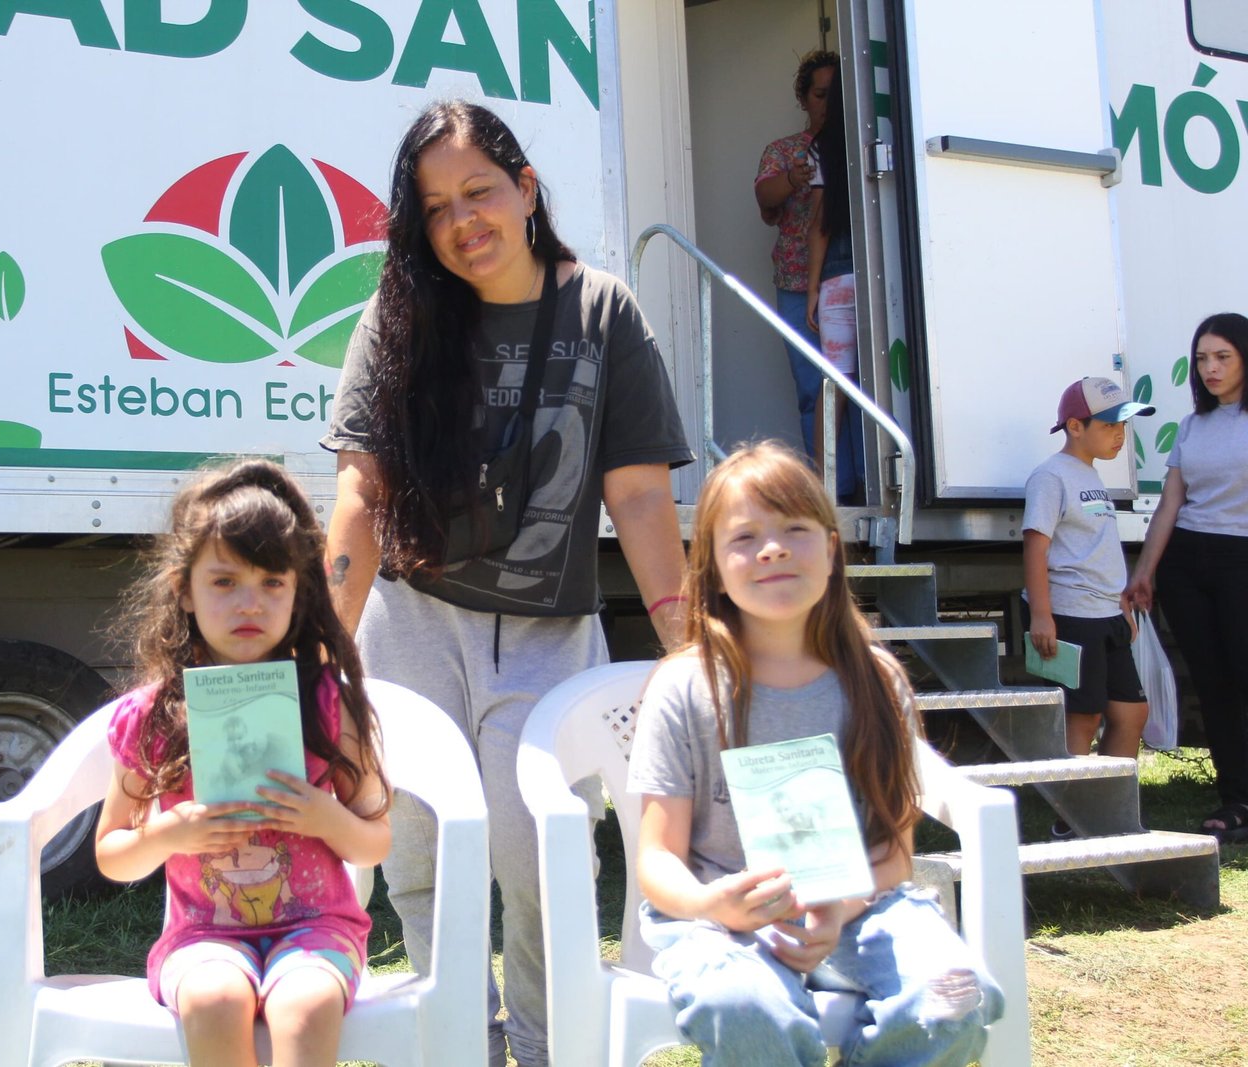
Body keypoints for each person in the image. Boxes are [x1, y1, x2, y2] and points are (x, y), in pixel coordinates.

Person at [322, 100, 692, 1067]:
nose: (462, 221)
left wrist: (692, 651)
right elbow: (361, 489)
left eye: (479, 191)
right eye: (436, 207)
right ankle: (465, 1043)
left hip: (544, 632)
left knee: (539, 853)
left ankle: (542, 1043)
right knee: (420, 851)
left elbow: (639, 496)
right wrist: (322, 651)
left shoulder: (602, 310)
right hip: (412, 620)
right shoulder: (399, 313)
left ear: (526, 188)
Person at [628, 441, 1003, 1067]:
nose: (772, 549)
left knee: (952, 996)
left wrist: (839, 908)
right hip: (719, 922)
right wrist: (713, 904)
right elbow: (658, 858)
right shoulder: (684, 687)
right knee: (746, 1008)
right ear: (713, 568)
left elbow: (894, 853)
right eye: (745, 537)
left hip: (865, 909)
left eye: (794, 529)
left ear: (831, 550)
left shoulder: (876, 681)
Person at [93, 460, 392, 1067]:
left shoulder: (328, 703)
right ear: (184, 589)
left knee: (305, 1004)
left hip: (320, 928)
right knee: (213, 999)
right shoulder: (154, 715)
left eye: (272, 582)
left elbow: (375, 840)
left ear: (299, 591)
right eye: (224, 582)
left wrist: (324, 818)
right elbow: (111, 854)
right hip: (202, 935)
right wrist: (168, 833)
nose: (249, 603)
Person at [1125, 313, 1248, 843]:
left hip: (1241, 559)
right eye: (1202, 359)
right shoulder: (1193, 425)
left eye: (1222, 357)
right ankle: (1236, 799)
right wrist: (1145, 571)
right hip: (1187, 563)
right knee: (1213, 685)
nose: (1210, 368)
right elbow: (1171, 504)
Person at [1023, 376, 1154, 819]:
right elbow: (1035, 546)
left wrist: (1120, 604)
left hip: (1107, 614)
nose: (1119, 434)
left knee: (1132, 712)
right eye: (1110, 425)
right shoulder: (1050, 476)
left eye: (1123, 425)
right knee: (1082, 717)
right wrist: (1041, 615)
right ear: (1075, 426)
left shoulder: (1092, 475)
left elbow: (1098, 548)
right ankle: (1070, 820)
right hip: (1071, 614)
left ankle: (1108, 813)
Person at [755, 49, 852, 489]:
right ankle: (832, 489)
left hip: (849, 280)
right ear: (803, 98)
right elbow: (765, 198)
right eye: (819, 94)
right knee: (816, 388)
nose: (827, 104)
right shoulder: (785, 151)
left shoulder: (853, 145)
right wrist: (794, 179)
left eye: (835, 94)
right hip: (798, 284)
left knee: (859, 390)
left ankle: (862, 484)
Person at [803, 73, 865, 498]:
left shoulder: (823, 146)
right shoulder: (877, 139)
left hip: (838, 280)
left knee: (834, 388)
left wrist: (812, 289)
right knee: (881, 387)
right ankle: (881, 482)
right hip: (881, 278)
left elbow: (819, 226)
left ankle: (822, 489)